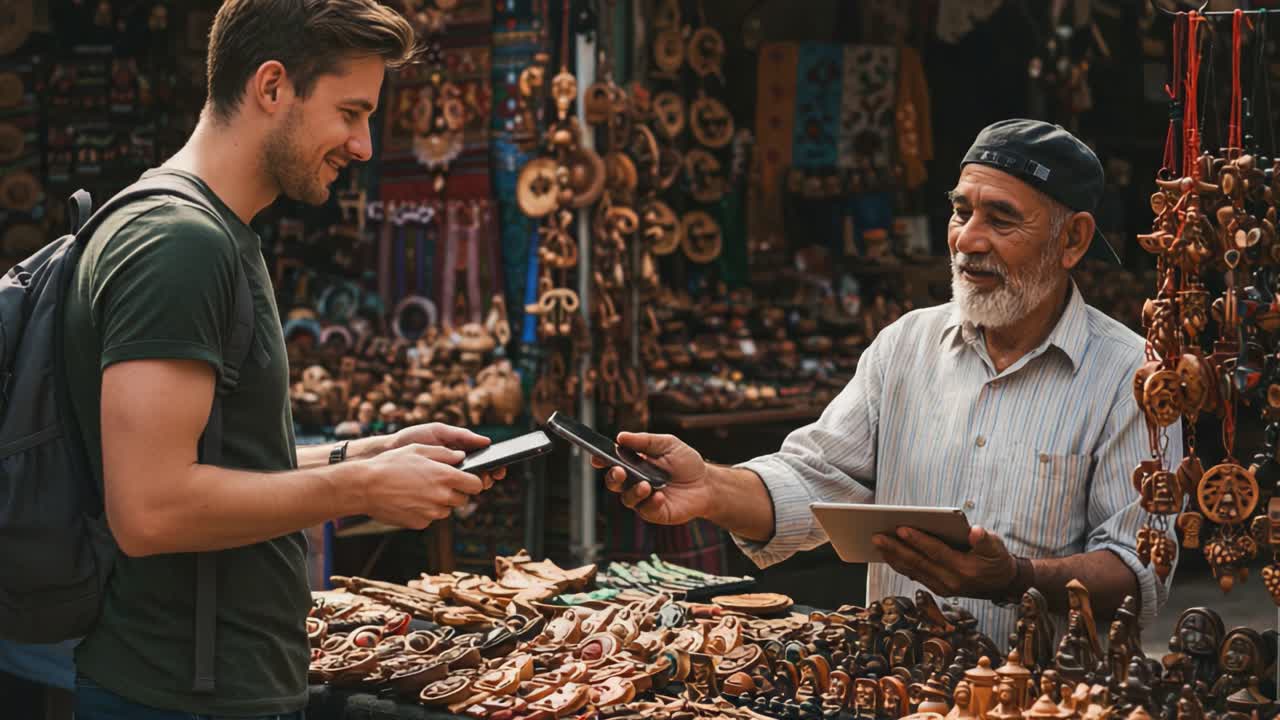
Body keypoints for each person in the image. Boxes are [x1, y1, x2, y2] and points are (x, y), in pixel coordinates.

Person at [62, 1, 504, 717]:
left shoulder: (213, 233)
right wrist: (360, 489)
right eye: (350, 112)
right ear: (272, 88)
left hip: (208, 689)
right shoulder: (179, 243)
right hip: (173, 696)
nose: (363, 145)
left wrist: (365, 454)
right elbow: (150, 508)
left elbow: (215, 461)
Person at [599, 119, 1180, 646]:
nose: (968, 240)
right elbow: (815, 478)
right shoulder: (905, 346)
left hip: (1048, 699)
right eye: (961, 211)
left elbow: (1137, 571)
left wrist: (1014, 580)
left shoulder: (1132, 379)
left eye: (1001, 219)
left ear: (1073, 239)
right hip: (897, 686)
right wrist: (709, 487)